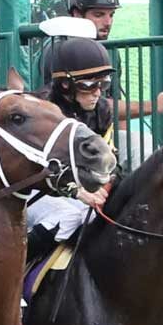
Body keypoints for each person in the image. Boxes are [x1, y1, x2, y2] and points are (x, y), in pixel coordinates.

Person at [23, 36, 118, 260]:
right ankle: (12, 271)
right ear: (65, 84)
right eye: (89, 85)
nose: (98, 92)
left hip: (74, 192)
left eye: (103, 84)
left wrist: (103, 190)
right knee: (66, 216)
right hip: (33, 188)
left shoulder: (102, 110)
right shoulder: (44, 109)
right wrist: (78, 192)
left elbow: (110, 162)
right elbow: (37, 169)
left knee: (105, 216)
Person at [41, 0, 163, 119]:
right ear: (76, 14)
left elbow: (114, 106)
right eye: (99, 15)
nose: (108, 22)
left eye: (111, 15)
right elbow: (85, 106)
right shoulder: (57, 48)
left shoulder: (109, 50)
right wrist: (153, 105)